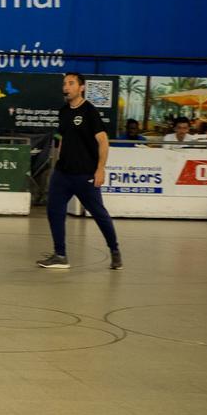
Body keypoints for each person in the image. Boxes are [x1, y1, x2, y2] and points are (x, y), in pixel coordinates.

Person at [38, 72, 122, 270]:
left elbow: (103, 141)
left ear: (81, 87)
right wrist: (55, 164)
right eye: (64, 83)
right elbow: (61, 140)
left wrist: (100, 170)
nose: (66, 87)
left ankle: (115, 250)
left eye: (71, 83)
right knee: (54, 211)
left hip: (85, 175)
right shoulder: (63, 111)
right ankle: (60, 255)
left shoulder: (90, 112)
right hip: (62, 174)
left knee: (99, 214)